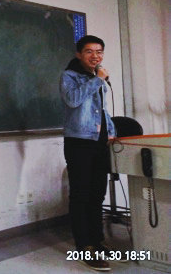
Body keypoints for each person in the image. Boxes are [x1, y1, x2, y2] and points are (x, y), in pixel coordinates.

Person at [60, 35, 117, 271]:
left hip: (99, 142)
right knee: (81, 195)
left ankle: (98, 241)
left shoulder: (96, 77)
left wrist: (111, 130)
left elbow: (101, 110)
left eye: (99, 52)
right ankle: (84, 246)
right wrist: (98, 80)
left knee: (97, 194)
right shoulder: (69, 76)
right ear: (79, 54)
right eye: (89, 51)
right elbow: (73, 100)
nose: (95, 56)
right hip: (79, 142)